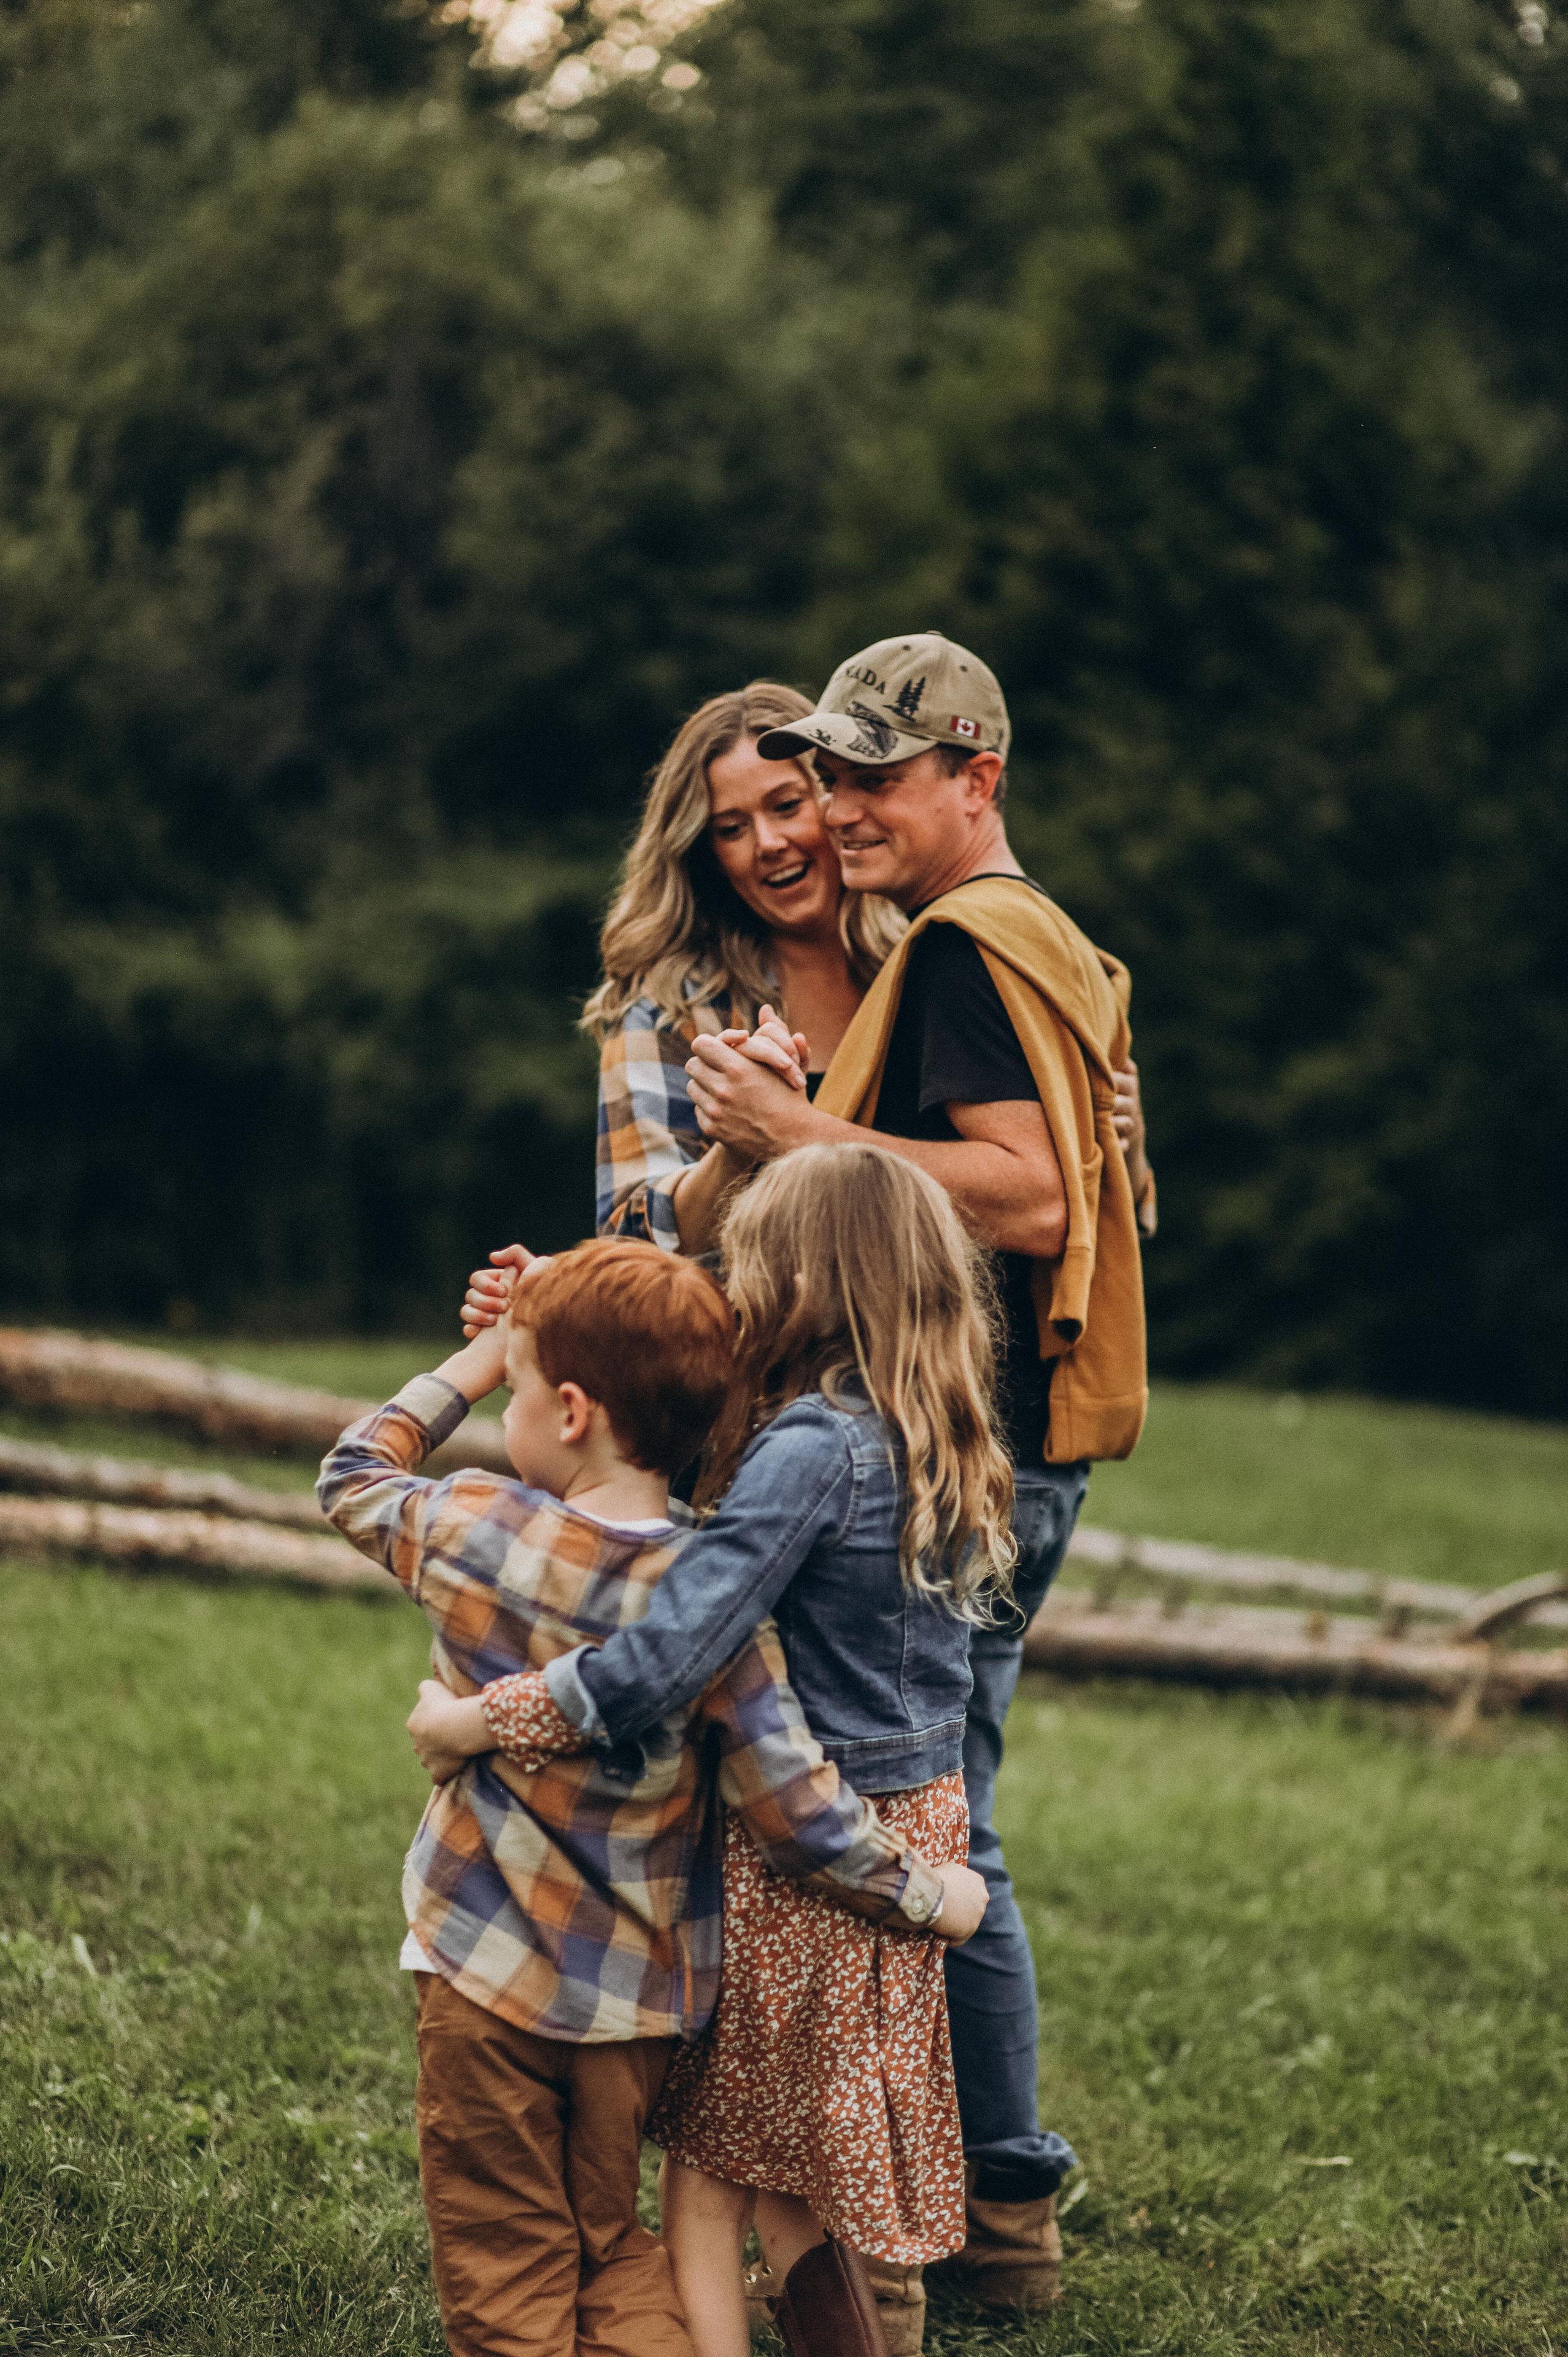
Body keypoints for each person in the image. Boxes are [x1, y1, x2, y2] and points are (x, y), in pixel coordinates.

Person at [670, 632, 1157, 2312]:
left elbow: (1029, 1198)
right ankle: (968, 2209)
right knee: (941, 1813)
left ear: (976, 777)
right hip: (1005, 1446)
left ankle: (985, 2212)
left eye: (879, 775)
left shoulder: (960, 948)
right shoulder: (1041, 936)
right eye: (836, 772)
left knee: (939, 1824)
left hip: (973, 1451)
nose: (845, 806)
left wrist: (788, 1134)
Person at [317, 1237, 982, 2357]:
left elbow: (351, 1473)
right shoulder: (715, 1608)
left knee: (506, 2248)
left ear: (571, 1411)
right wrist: (928, 1896)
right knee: (608, 2239)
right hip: (636, 2012)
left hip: (480, 1977)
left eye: (519, 1388)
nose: (509, 1401)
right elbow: (800, 1815)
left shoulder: (472, 1525)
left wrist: (473, 1358)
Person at [584, 680, 903, 1255]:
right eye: (731, 829)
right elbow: (632, 1246)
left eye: (787, 806)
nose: (769, 842)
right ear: (708, 857)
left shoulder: (918, 968)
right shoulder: (670, 1010)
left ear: (839, 800)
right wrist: (737, 1146)